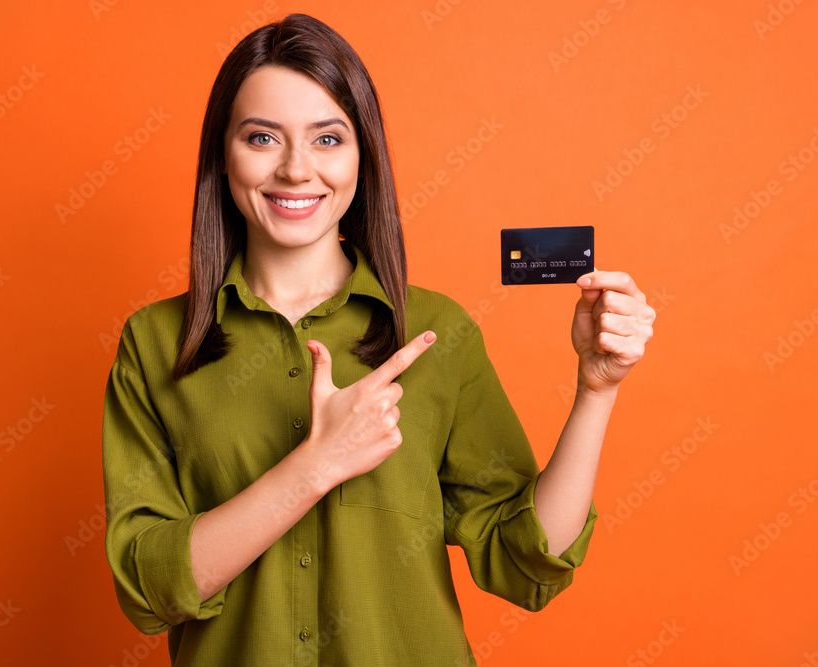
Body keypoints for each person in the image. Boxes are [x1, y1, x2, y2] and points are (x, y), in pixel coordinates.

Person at [101, 13, 654, 667]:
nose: (296, 169)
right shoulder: (155, 342)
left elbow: (523, 557)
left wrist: (597, 389)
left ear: (363, 155)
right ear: (223, 156)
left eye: (328, 138)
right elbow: (149, 584)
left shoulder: (438, 333)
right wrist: (314, 467)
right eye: (261, 137)